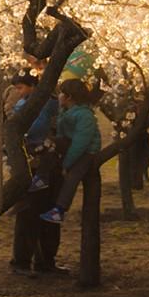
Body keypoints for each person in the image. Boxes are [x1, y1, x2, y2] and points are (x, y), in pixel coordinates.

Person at [8, 74, 66, 276]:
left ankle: (46, 261)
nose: (19, 92)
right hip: (32, 166)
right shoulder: (22, 106)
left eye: (22, 87)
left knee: (49, 213)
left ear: (34, 85)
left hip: (51, 165)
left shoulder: (50, 104)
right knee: (29, 213)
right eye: (17, 88)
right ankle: (22, 261)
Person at [40, 79, 102, 224]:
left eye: (61, 93)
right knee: (48, 145)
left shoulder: (84, 115)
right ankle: (42, 177)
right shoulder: (66, 111)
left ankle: (59, 210)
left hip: (87, 152)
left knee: (72, 177)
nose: (59, 96)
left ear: (69, 97)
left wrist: (66, 164)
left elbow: (80, 144)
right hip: (71, 145)